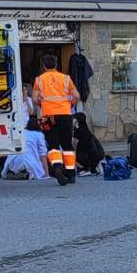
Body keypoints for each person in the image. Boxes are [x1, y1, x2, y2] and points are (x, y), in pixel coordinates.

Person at [31, 55, 81, 186]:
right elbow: (77, 96)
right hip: (65, 114)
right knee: (67, 144)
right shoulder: (66, 78)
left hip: (48, 117)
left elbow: (35, 99)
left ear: (43, 66)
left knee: (53, 145)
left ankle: (57, 167)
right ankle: (71, 174)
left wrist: (42, 104)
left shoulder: (39, 80)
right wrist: (70, 105)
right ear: (56, 65)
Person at [1, 86, 49, 180]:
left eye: (25, 91)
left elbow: (31, 112)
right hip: (17, 125)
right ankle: (22, 170)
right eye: (23, 91)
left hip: (26, 124)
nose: (24, 92)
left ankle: (17, 170)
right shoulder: (14, 99)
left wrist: (26, 99)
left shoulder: (29, 99)